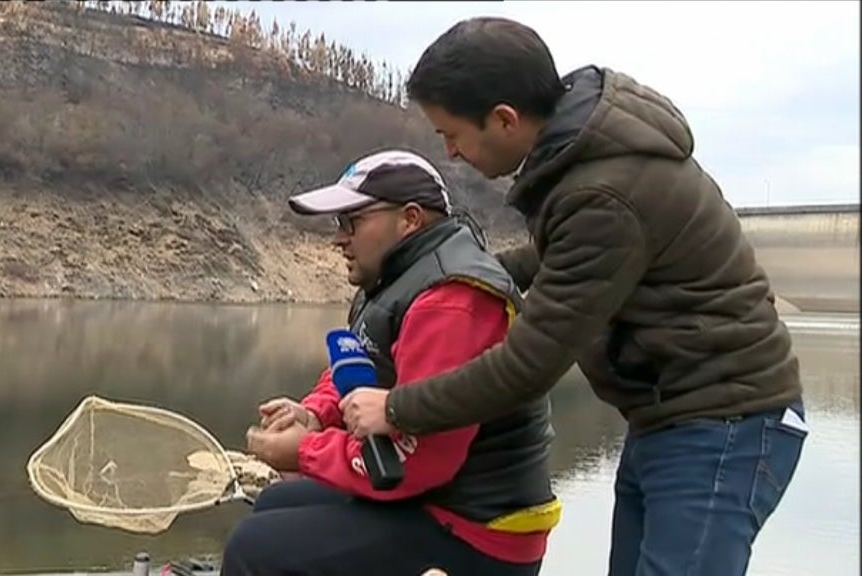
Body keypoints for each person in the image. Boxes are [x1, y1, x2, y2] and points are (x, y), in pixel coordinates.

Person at [338, 17, 808, 576]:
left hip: (725, 422)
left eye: (453, 134)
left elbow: (529, 364)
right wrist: (448, 274)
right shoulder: (580, 163)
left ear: (505, 119)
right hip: (671, 416)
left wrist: (395, 408)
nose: (452, 152)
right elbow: (549, 260)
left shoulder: (602, 192)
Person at [221, 150, 560, 576]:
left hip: (478, 532)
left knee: (253, 549)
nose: (339, 238)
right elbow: (359, 363)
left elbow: (417, 462)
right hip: (436, 501)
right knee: (273, 504)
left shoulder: (450, 301)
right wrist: (314, 413)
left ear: (410, 219)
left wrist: (305, 452)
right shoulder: (398, 277)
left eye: (353, 221)